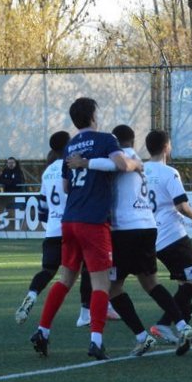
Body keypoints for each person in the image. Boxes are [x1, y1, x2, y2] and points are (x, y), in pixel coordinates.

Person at [29, 97, 142, 361]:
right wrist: (137, 164)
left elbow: (66, 186)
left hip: (69, 220)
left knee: (65, 279)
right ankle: (96, 341)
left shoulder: (70, 145)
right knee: (101, 283)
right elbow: (123, 164)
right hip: (93, 220)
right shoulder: (105, 139)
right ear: (93, 115)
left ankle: (42, 331)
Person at [70, 125, 192, 356]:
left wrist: (84, 162)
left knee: (112, 288)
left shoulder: (122, 158)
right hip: (147, 227)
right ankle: (182, 325)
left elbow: (113, 165)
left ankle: (142, 336)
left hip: (124, 230)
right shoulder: (136, 157)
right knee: (151, 283)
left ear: (115, 142)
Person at [14, 131, 93, 325]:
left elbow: (42, 207)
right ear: (68, 146)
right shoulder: (73, 167)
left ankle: (32, 294)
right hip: (74, 226)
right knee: (87, 268)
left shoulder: (47, 172)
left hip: (52, 229)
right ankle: (85, 313)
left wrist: (51, 222)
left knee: (48, 270)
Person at [143, 130, 192, 345]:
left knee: (183, 283)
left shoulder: (139, 170)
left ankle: (185, 330)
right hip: (172, 236)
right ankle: (163, 323)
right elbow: (181, 205)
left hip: (152, 236)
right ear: (166, 147)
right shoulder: (169, 172)